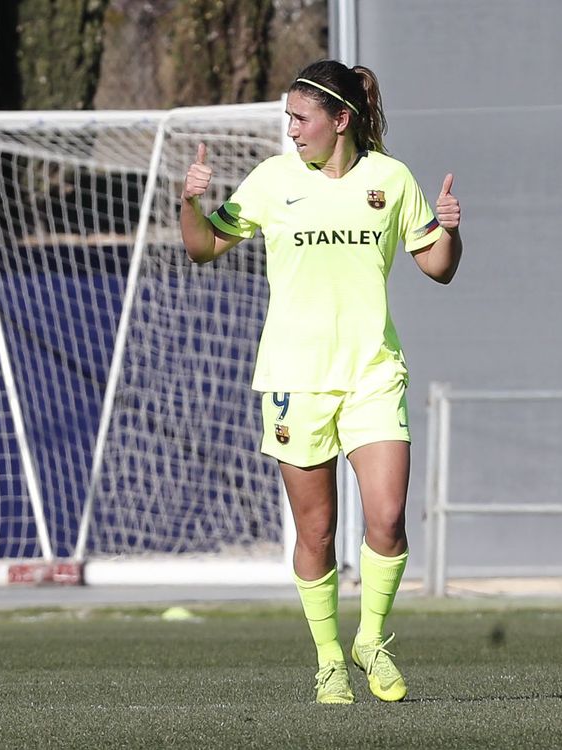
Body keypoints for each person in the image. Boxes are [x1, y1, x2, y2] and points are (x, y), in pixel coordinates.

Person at [180, 59, 462, 704]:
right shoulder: (272, 180)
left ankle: (373, 641)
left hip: (372, 372)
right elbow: (202, 249)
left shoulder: (390, 180)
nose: (291, 130)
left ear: (342, 120)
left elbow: (438, 268)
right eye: (287, 118)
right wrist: (189, 200)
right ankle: (331, 658)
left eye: (301, 119)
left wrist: (449, 229)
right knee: (317, 533)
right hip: (295, 377)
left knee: (387, 519)